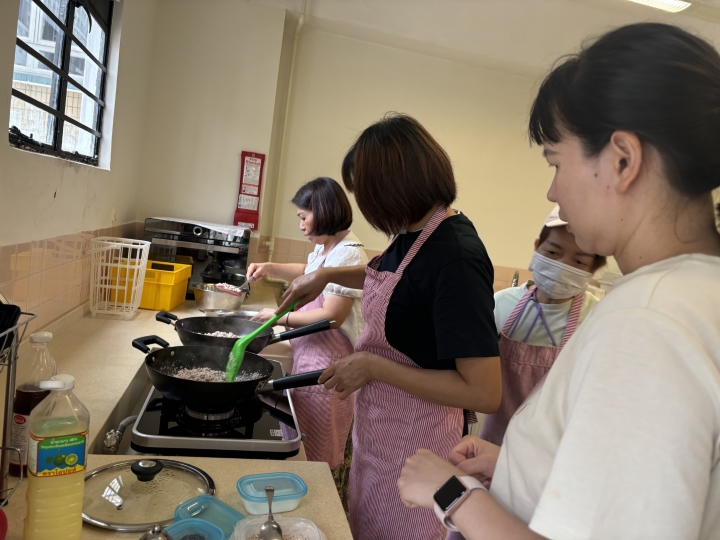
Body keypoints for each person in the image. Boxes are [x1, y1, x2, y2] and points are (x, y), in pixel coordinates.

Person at [397, 23, 720, 539]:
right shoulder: (696, 295)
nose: (554, 191)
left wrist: (450, 493)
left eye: (555, 162)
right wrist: (520, 465)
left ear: (622, 160)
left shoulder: (648, 320)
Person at [277, 113, 501, 540]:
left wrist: (374, 366)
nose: (365, 207)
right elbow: (395, 283)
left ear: (392, 187)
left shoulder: (456, 257)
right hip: (380, 438)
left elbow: (484, 392)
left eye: (365, 194)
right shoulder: (410, 235)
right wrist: (325, 275)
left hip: (421, 446)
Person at [246, 177, 367, 477]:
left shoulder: (348, 253)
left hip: (326, 363)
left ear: (323, 212)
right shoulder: (328, 248)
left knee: (317, 453)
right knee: (303, 440)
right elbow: (307, 272)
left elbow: (333, 316)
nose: (300, 225)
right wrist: (269, 267)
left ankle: (317, 496)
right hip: (309, 357)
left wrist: (278, 317)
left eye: (303, 217)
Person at [480, 204, 606, 445]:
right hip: (495, 440)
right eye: (553, 252)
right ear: (537, 246)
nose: (563, 266)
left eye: (579, 262)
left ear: (593, 270)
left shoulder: (596, 317)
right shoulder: (502, 304)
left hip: (552, 449)